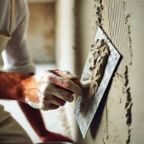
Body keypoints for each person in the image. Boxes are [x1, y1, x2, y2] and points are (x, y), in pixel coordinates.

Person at [0, 0, 82, 143]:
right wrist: (26, 87)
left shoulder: (15, 6)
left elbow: (20, 68)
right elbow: (24, 83)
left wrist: (42, 132)